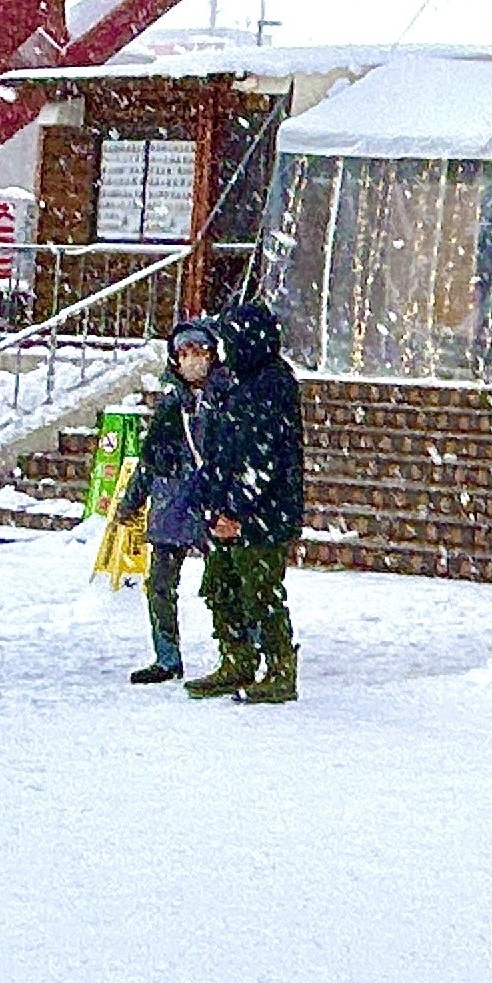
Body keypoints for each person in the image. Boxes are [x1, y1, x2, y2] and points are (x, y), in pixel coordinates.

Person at [182, 301, 305, 703]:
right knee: (221, 586)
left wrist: (236, 510)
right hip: (227, 509)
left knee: (261, 592)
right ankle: (236, 660)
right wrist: (213, 504)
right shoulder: (235, 383)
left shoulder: (271, 384)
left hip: (262, 515)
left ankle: (279, 670)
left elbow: (261, 458)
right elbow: (221, 449)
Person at [122, 325, 217, 687]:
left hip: (211, 503)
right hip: (170, 505)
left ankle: (244, 649)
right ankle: (166, 657)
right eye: (187, 353)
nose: (194, 360)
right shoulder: (170, 405)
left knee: (225, 584)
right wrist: (132, 501)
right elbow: (150, 459)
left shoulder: (225, 399)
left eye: (201, 352)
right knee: (160, 585)